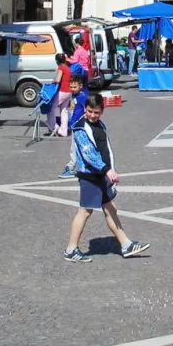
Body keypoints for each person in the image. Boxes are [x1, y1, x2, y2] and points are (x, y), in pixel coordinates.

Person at [64, 91, 149, 262]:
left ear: (102, 111)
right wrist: (107, 170)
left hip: (101, 174)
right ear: (85, 109)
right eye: (89, 111)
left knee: (110, 209)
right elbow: (89, 154)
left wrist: (109, 170)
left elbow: (105, 150)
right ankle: (71, 250)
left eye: (96, 112)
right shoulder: (80, 127)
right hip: (90, 175)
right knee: (85, 212)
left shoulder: (100, 125)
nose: (93, 115)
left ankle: (126, 245)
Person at [49, 52, 74, 136]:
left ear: (57, 61)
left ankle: (53, 126)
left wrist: (53, 81)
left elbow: (58, 79)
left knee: (51, 107)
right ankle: (64, 130)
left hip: (62, 91)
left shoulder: (61, 67)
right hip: (68, 91)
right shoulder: (68, 68)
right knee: (64, 110)